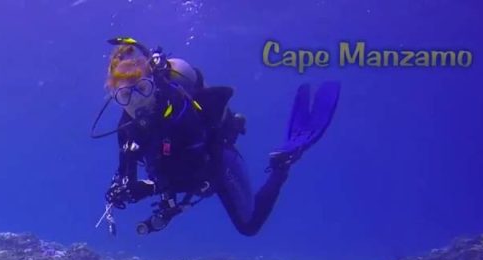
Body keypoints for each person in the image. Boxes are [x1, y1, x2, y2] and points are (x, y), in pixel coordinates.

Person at [91, 37, 340, 237]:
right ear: (114, 98)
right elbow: (127, 168)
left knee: (249, 225)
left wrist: (151, 188)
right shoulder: (127, 128)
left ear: (154, 85)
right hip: (182, 177)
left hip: (219, 165)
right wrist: (122, 188)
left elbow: (202, 173)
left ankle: (280, 167)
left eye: (143, 89)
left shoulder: (179, 112)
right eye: (125, 96)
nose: (137, 101)